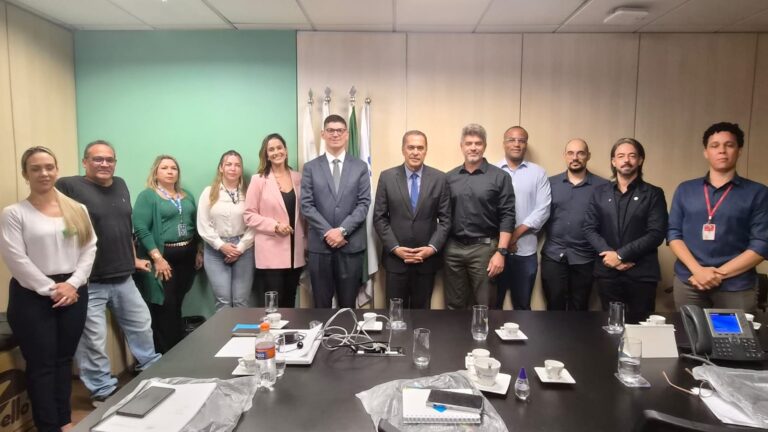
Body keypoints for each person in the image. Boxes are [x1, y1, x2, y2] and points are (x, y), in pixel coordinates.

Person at [56, 140, 161, 405]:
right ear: (85, 162)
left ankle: (151, 369)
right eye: (97, 159)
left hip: (123, 275)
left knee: (141, 325)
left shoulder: (120, 184)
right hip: (89, 280)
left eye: (109, 159)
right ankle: (102, 390)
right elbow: (55, 225)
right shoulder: (68, 186)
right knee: (92, 340)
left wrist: (134, 258)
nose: (104, 164)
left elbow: (125, 227)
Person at [0, 146, 97, 432]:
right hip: (32, 296)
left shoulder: (77, 209)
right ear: (25, 174)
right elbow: (17, 260)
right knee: (41, 364)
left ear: (56, 170)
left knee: (63, 360)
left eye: (49, 167)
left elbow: (89, 248)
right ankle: (48, 426)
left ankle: (64, 420)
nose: (44, 173)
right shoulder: (14, 213)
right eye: (36, 168)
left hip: (73, 292)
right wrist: (52, 289)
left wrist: (73, 283)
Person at [669, 122, 768, 311]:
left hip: (736, 286)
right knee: (689, 330)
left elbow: (761, 244)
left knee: (733, 332)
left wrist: (718, 274)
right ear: (706, 152)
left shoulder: (758, 193)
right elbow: (673, 234)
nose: (722, 150)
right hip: (689, 281)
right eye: (715, 145)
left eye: (729, 145)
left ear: (739, 151)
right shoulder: (685, 189)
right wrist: (698, 271)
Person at [583, 138, 668, 324]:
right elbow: (589, 228)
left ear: (640, 160)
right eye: (621, 156)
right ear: (614, 161)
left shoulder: (653, 194)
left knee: (642, 326)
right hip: (607, 272)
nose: (626, 160)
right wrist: (611, 256)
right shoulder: (599, 193)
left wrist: (620, 255)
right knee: (611, 327)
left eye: (632, 156)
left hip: (641, 273)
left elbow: (656, 233)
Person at [373, 130, 451, 309]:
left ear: (426, 151)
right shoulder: (387, 177)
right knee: (394, 314)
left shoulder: (439, 178)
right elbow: (379, 217)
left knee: (422, 314)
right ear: (403, 149)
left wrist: (431, 248)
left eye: (420, 148)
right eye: (411, 147)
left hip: (426, 261)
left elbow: (446, 220)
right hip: (396, 261)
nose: (415, 152)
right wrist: (395, 248)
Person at [133, 155, 202, 353]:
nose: (170, 171)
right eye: (164, 168)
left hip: (186, 257)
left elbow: (193, 224)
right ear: (156, 172)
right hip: (163, 258)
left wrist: (198, 250)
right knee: (165, 305)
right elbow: (140, 228)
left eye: (174, 168)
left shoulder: (186, 195)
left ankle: (177, 350)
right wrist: (158, 258)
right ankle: (165, 354)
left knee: (177, 302)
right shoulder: (148, 196)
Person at [301, 114, 370, 308]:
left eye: (340, 130)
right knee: (321, 306)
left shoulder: (360, 167)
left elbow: (364, 203)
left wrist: (342, 230)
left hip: (350, 246)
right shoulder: (310, 168)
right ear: (323, 134)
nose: (335, 134)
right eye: (330, 130)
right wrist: (329, 232)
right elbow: (307, 205)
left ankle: (346, 332)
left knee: (348, 307)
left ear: (347, 134)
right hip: (320, 248)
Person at [444, 124, 516, 309]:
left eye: (478, 143)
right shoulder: (449, 178)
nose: (473, 147)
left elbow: (508, 216)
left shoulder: (500, 177)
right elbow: (442, 215)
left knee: (484, 307)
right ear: (461, 146)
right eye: (469, 143)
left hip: (485, 249)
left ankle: (482, 330)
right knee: (453, 306)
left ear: (485, 146)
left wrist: (501, 252)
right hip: (453, 249)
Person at [541, 138, 608, 311]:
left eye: (580, 153)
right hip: (554, 255)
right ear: (565, 156)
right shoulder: (549, 183)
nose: (575, 157)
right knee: (553, 307)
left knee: (580, 309)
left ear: (588, 156)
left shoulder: (604, 186)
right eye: (570, 153)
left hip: (586, 257)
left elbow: (608, 222)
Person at [245, 134, 306, 308]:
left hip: (296, 254)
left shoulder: (299, 178)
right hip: (270, 253)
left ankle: (289, 328)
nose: (276, 152)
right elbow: (249, 215)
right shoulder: (258, 180)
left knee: (290, 301)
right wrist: (275, 226)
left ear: (285, 150)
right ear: (266, 154)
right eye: (271, 149)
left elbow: (305, 214)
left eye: (279, 147)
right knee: (273, 305)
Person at [495, 126, 551, 310]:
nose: (517, 144)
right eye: (512, 140)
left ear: (526, 144)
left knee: (523, 308)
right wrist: (504, 241)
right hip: (495, 252)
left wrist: (515, 235)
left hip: (525, 252)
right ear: (504, 143)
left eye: (522, 140)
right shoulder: (492, 171)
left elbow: (543, 209)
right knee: (492, 306)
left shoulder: (538, 173)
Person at [197, 150, 255, 310]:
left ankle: (241, 328)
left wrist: (240, 248)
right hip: (215, 250)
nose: (233, 168)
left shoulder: (249, 192)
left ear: (241, 169)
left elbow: (253, 223)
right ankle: (225, 328)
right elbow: (203, 224)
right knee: (223, 302)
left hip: (244, 249)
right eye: (228, 164)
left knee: (241, 301)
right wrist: (221, 245)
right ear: (221, 168)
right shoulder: (209, 192)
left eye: (237, 165)